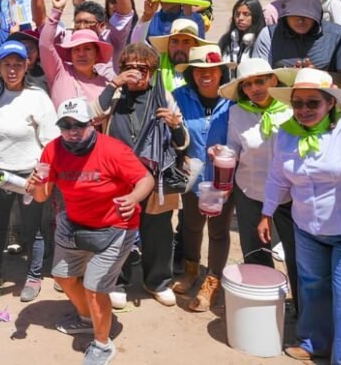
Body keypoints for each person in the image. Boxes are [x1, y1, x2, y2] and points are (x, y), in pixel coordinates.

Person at [261, 69, 341, 363]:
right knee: (313, 288)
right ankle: (315, 342)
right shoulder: (286, 133)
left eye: (312, 103)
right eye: (298, 103)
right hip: (308, 228)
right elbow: (278, 176)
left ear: (330, 103)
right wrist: (267, 212)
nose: (304, 109)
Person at [28, 98, 155, 365]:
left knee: (95, 287)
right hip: (73, 223)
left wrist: (133, 198)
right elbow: (42, 197)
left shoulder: (113, 150)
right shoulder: (52, 150)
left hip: (115, 226)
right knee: (63, 277)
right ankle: (88, 318)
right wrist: (36, 185)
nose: (73, 131)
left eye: (79, 125)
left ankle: (102, 345)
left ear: (92, 124)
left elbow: (146, 179)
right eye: (66, 125)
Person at [95, 42, 189, 309]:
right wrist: (114, 83)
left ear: (152, 71)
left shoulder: (165, 96)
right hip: (118, 178)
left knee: (158, 230)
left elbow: (182, 143)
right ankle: (118, 281)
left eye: (142, 67)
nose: (135, 72)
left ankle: (157, 281)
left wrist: (176, 126)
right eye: (129, 67)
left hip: (156, 177)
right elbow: (94, 115)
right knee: (118, 229)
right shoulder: (113, 94)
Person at [0, 41, 59, 301]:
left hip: (28, 175)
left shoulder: (38, 97)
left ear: (26, 66)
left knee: (32, 228)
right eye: (7, 64)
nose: (12, 70)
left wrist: (40, 174)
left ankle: (33, 276)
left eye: (18, 65)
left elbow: (51, 141)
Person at [217, 59, 298, 308]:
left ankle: (302, 307)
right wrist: (222, 152)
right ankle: (265, 303)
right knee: (254, 250)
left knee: (298, 254)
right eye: (248, 84)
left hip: (291, 194)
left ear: (273, 80)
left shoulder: (293, 108)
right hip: (250, 190)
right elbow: (234, 146)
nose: (254, 88)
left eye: (259, 81)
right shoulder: (237, 112)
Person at [170, 45, 235, 312]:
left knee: (219, 231)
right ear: (192, 73)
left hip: (224, 177)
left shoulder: (234, 99)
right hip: (192, 175)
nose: (204, 75)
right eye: (198, 70)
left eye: (211, 70)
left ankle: (213, 279)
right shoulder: (178, 97)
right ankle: (191, 269)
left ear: (221, 72)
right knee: (191, 226)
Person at [253, 0, 341, 88]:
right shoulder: (269, 34)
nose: (300, 20)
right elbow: (257, 77)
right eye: (295, 15)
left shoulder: (339, 36)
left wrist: (315, 75)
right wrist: (287, 76)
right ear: (285, 15)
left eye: (306, 15)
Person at [40, 0, 115, 107]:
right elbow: (45, 44)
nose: (81, 54)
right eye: (76, 49)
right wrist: (56, 11)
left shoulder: (105, 84)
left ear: (97, 54)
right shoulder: (59, 72)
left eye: (87, 49)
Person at [140, 0, 205, 39]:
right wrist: (146, 16)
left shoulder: (196, 18)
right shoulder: (152, 18)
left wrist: (188, 17)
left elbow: (198, 45)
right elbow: (137, 43)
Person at [218, 0, 266, 64]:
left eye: (246, 14)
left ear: (255, 17)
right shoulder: (225, 40)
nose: (240, 18)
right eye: (237, 14)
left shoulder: (264, 42)